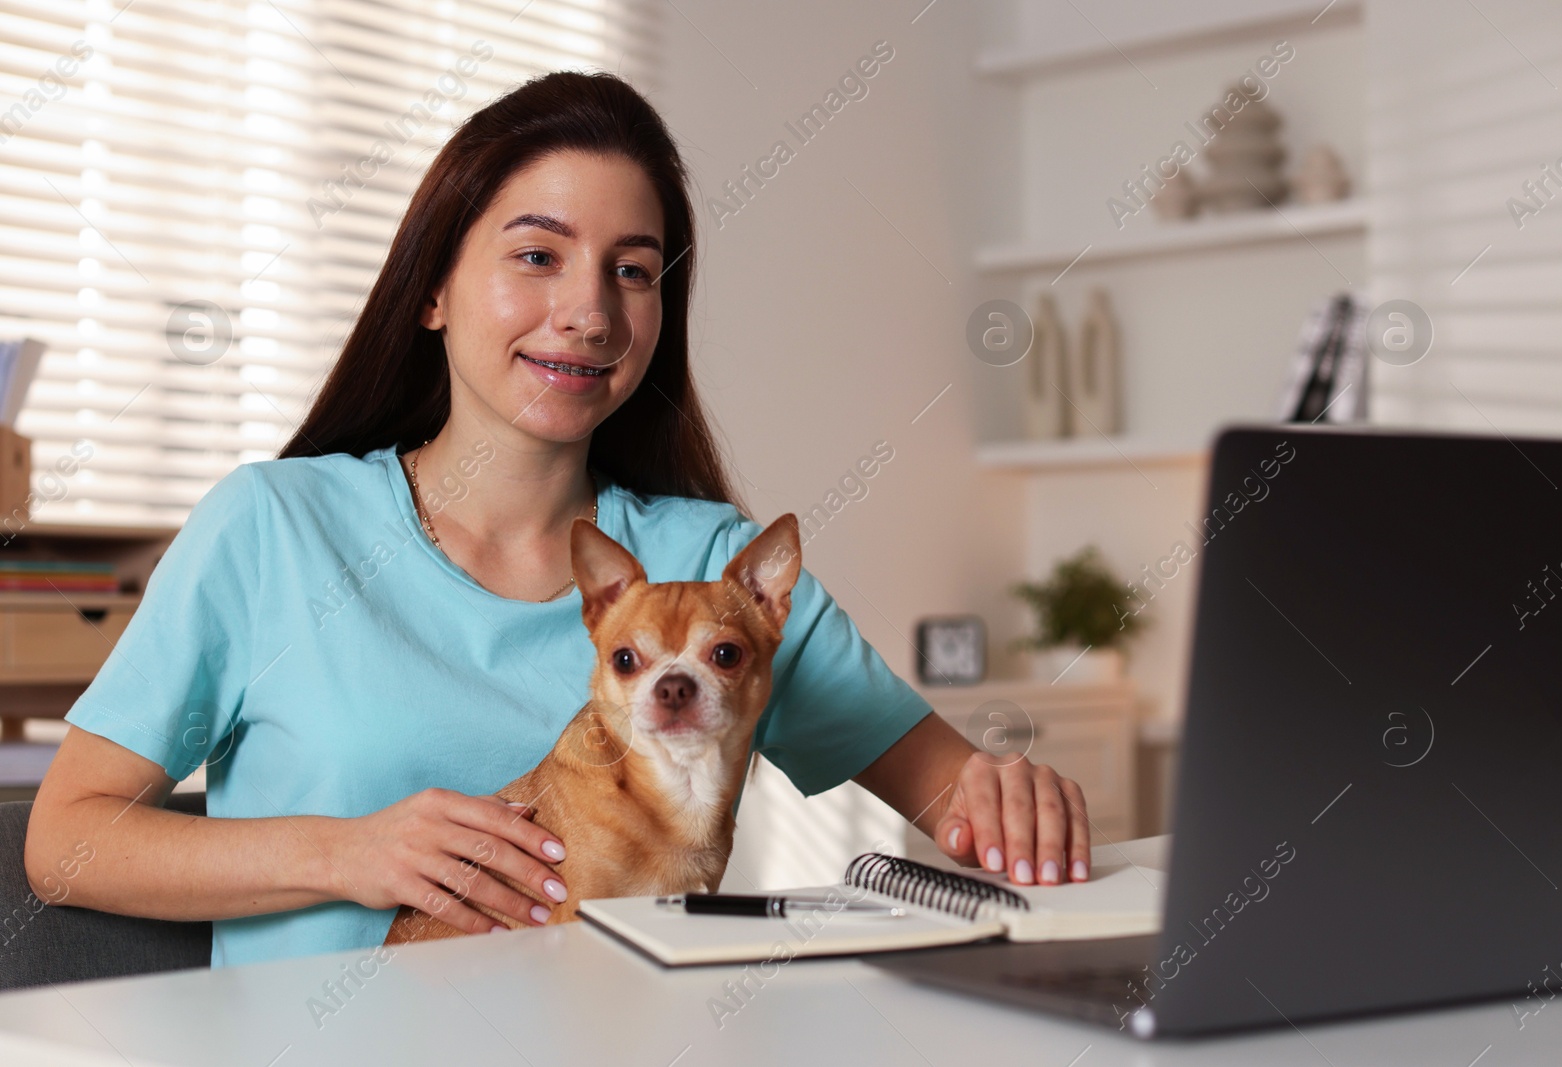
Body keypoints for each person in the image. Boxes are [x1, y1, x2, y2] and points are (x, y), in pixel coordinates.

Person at [25, 71, 1091, 968]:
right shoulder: (270, 527)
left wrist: (1004, 795)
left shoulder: (712, 570)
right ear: (432, 288)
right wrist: (348, 853)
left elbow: (952, 787)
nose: (590, 311)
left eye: (632, 270)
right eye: (537, 255)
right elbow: (64, 840)